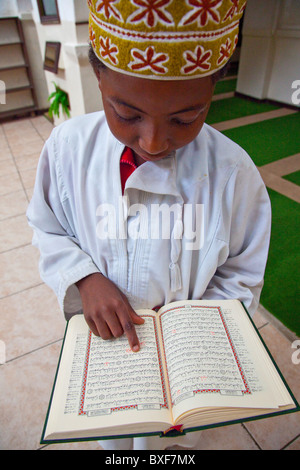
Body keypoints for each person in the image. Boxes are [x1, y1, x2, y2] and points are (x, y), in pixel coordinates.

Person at [27, 0, 271, 450]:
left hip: (186, 366)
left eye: (186, 118)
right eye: (127, 114)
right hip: (111, 351)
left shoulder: (233, 173)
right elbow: (48, 226)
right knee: (116, 440)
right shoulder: (67, 150)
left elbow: (240, 271)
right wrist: (83, 277)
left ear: (213, 89)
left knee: (172, 445)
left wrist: (197, 330)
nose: (155, 141)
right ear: (97, 75)